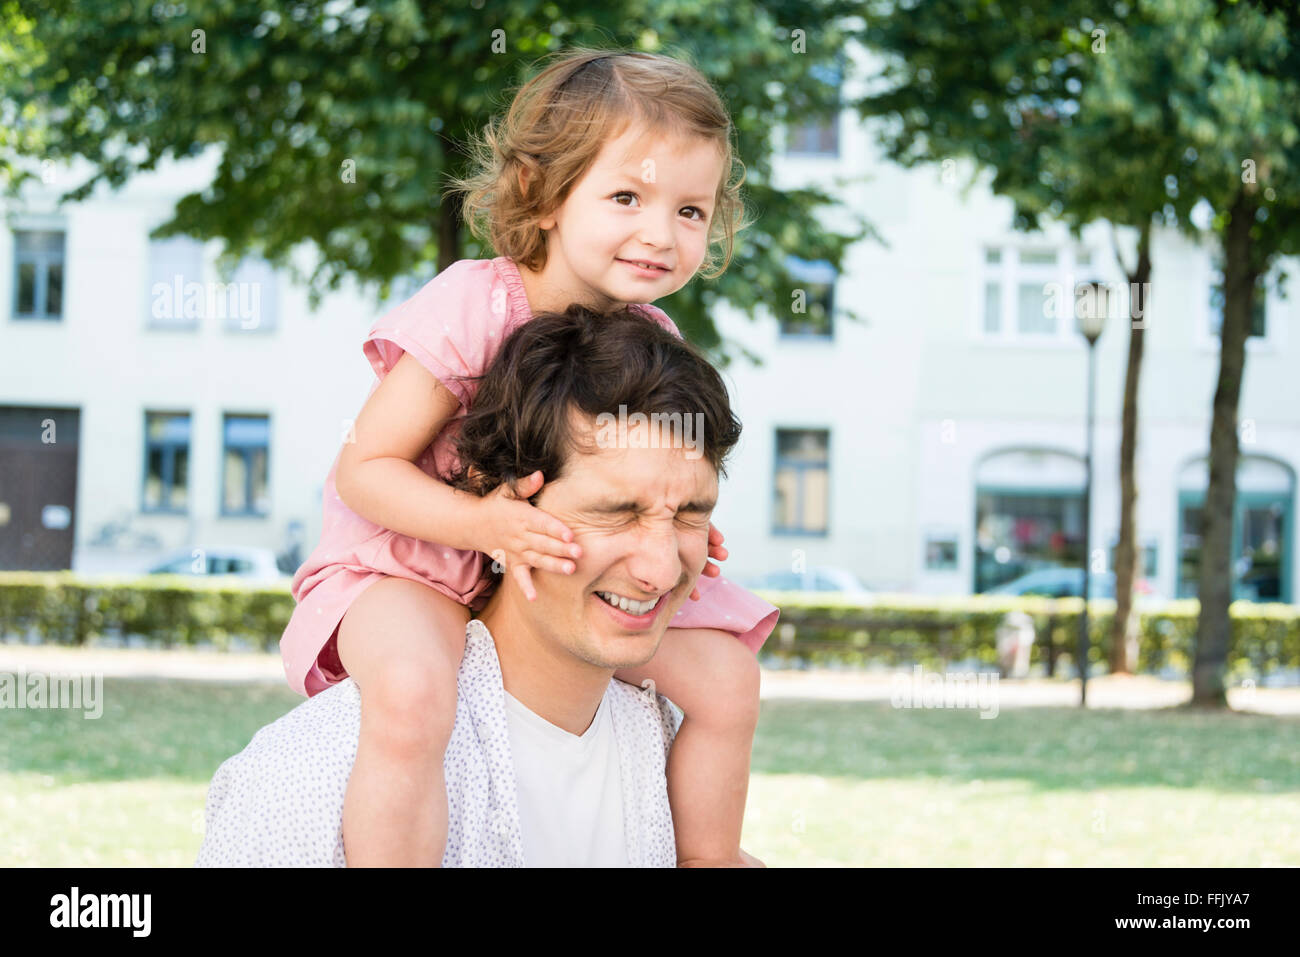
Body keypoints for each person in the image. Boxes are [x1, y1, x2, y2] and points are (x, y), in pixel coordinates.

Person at [277, 48, 779, 867]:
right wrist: (485, 522)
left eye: (691, 210)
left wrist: (678, 522)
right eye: (627, 197)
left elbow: (663, 470)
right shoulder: (473, 302)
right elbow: (364, 470)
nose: (661, 234)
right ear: (543, 196)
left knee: (729, 681)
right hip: (413, 562)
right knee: (411, 695)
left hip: (559, 567)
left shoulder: (651, 337)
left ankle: (707, 855)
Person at [198, 307, 764, 867]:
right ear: (495, 499)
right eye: (615, 513)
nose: (662, 570)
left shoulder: (673, 757)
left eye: (690, 514)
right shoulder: (310, 778)